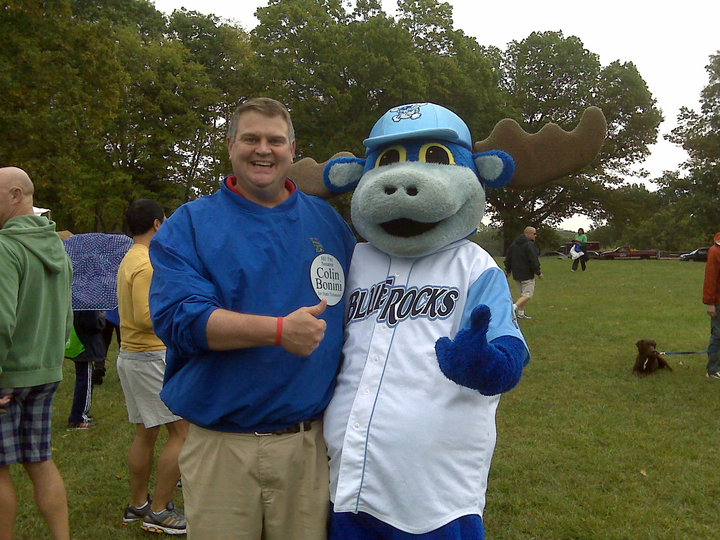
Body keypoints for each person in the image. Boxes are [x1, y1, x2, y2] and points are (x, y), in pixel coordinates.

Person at [149, 97, 356, 539]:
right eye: (251, 139)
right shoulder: (190, 224)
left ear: (293, 149)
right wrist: (280, 332)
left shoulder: (329, 224)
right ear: (230, 146)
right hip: (222, 445)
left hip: (307, 445)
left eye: (275, 140)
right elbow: (179, 319)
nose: (263, 149)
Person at [0, 166, 72, 540]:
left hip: (7, 377)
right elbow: (65, 312)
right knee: (41, 462)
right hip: (46, 371)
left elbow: (0, 320)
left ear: (16, 195)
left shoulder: (4, 247)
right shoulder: (57, 245)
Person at [116, 199, 188, 535]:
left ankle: (138, 504)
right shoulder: (146, 263)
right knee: (183, 432)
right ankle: (159, 510)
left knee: (146, 432)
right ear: (158, 225)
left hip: (132, 356)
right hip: (150, 358)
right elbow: (148, 316)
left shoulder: (130, 258)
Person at [66, 309, 106, 429]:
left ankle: (81, 412)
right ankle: (79, 416)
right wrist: (102, 318)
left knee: (84, 379)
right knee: (85, 381)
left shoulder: (77, 300)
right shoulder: (87, 304)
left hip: (80, 343)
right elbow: (92, 324)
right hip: (85, 346)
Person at [504, 226, 543, 319]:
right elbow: (533, 259)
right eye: (534, 234)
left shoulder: (513, 245)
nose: (535, 236)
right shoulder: (530, 245)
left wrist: (508, 270)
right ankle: (513, 308)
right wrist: (538, 272)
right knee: (527, 295)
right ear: (528, 234)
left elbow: (508, 259)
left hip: (517, 274)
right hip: (527, 274)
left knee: (522, 294)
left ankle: (521, 314)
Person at [703, 232, 720, 379]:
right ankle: (713, 370)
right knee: (718, 335)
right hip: (718, 302)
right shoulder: (715, 251)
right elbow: (711, 278)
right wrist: (710, 303)